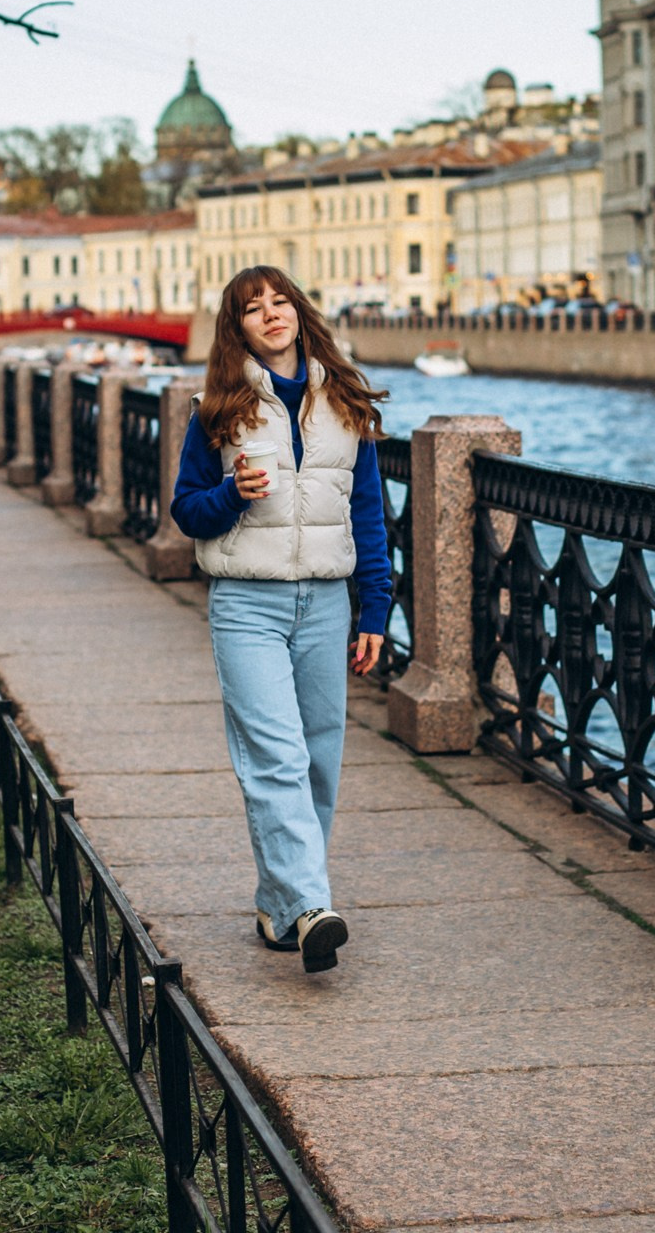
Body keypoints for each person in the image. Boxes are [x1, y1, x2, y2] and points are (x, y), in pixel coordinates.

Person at [170, 266, 393, 973]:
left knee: (319, 762)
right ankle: (313, 908)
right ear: (235, 327)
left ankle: (278, 907)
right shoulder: (219, 408)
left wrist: (376, 608)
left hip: (326, 602)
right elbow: (186, 510)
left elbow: (369, 516)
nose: (271, 314)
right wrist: (232, 493)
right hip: (247, 603)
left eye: (280, 301)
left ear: (299, 311)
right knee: (276, 757)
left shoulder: (346, 399)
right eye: (252, 308)